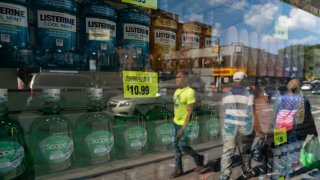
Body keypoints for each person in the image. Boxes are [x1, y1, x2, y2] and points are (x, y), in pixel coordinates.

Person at [219, 71, 255, 180]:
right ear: (244, 80)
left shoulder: (226, 94)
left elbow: (223, 110)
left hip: (229, 127)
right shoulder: (249, 94)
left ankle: (224, 176)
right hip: (244, 127)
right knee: (245, 149)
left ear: (234, 81)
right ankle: (246, 169)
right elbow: (251, 113)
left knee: (228, 152)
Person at [169, 70, 204, 178]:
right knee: (176, 147)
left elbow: (189, 111)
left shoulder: (190, 92)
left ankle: (198, 157)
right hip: (175, 122)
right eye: (176, 76)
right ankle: (178, 169)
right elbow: (177, 107)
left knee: (182, 146)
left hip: (185, 124)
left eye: (180, 77)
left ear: (186, 79)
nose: (177, 79)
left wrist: (183, 128)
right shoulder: (176, 91)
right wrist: (174, 122)